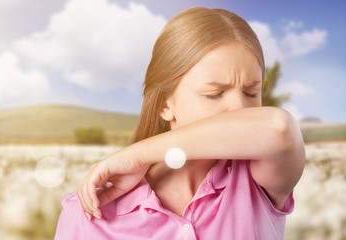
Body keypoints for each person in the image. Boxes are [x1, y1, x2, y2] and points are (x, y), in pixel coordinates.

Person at [54, 6, 305, 240]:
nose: (240, 109)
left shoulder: (258, 179)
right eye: (214, 94)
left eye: (251, 92)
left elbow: (279, 128)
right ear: (165, 104)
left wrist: (138, 155)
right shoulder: (88, 214)